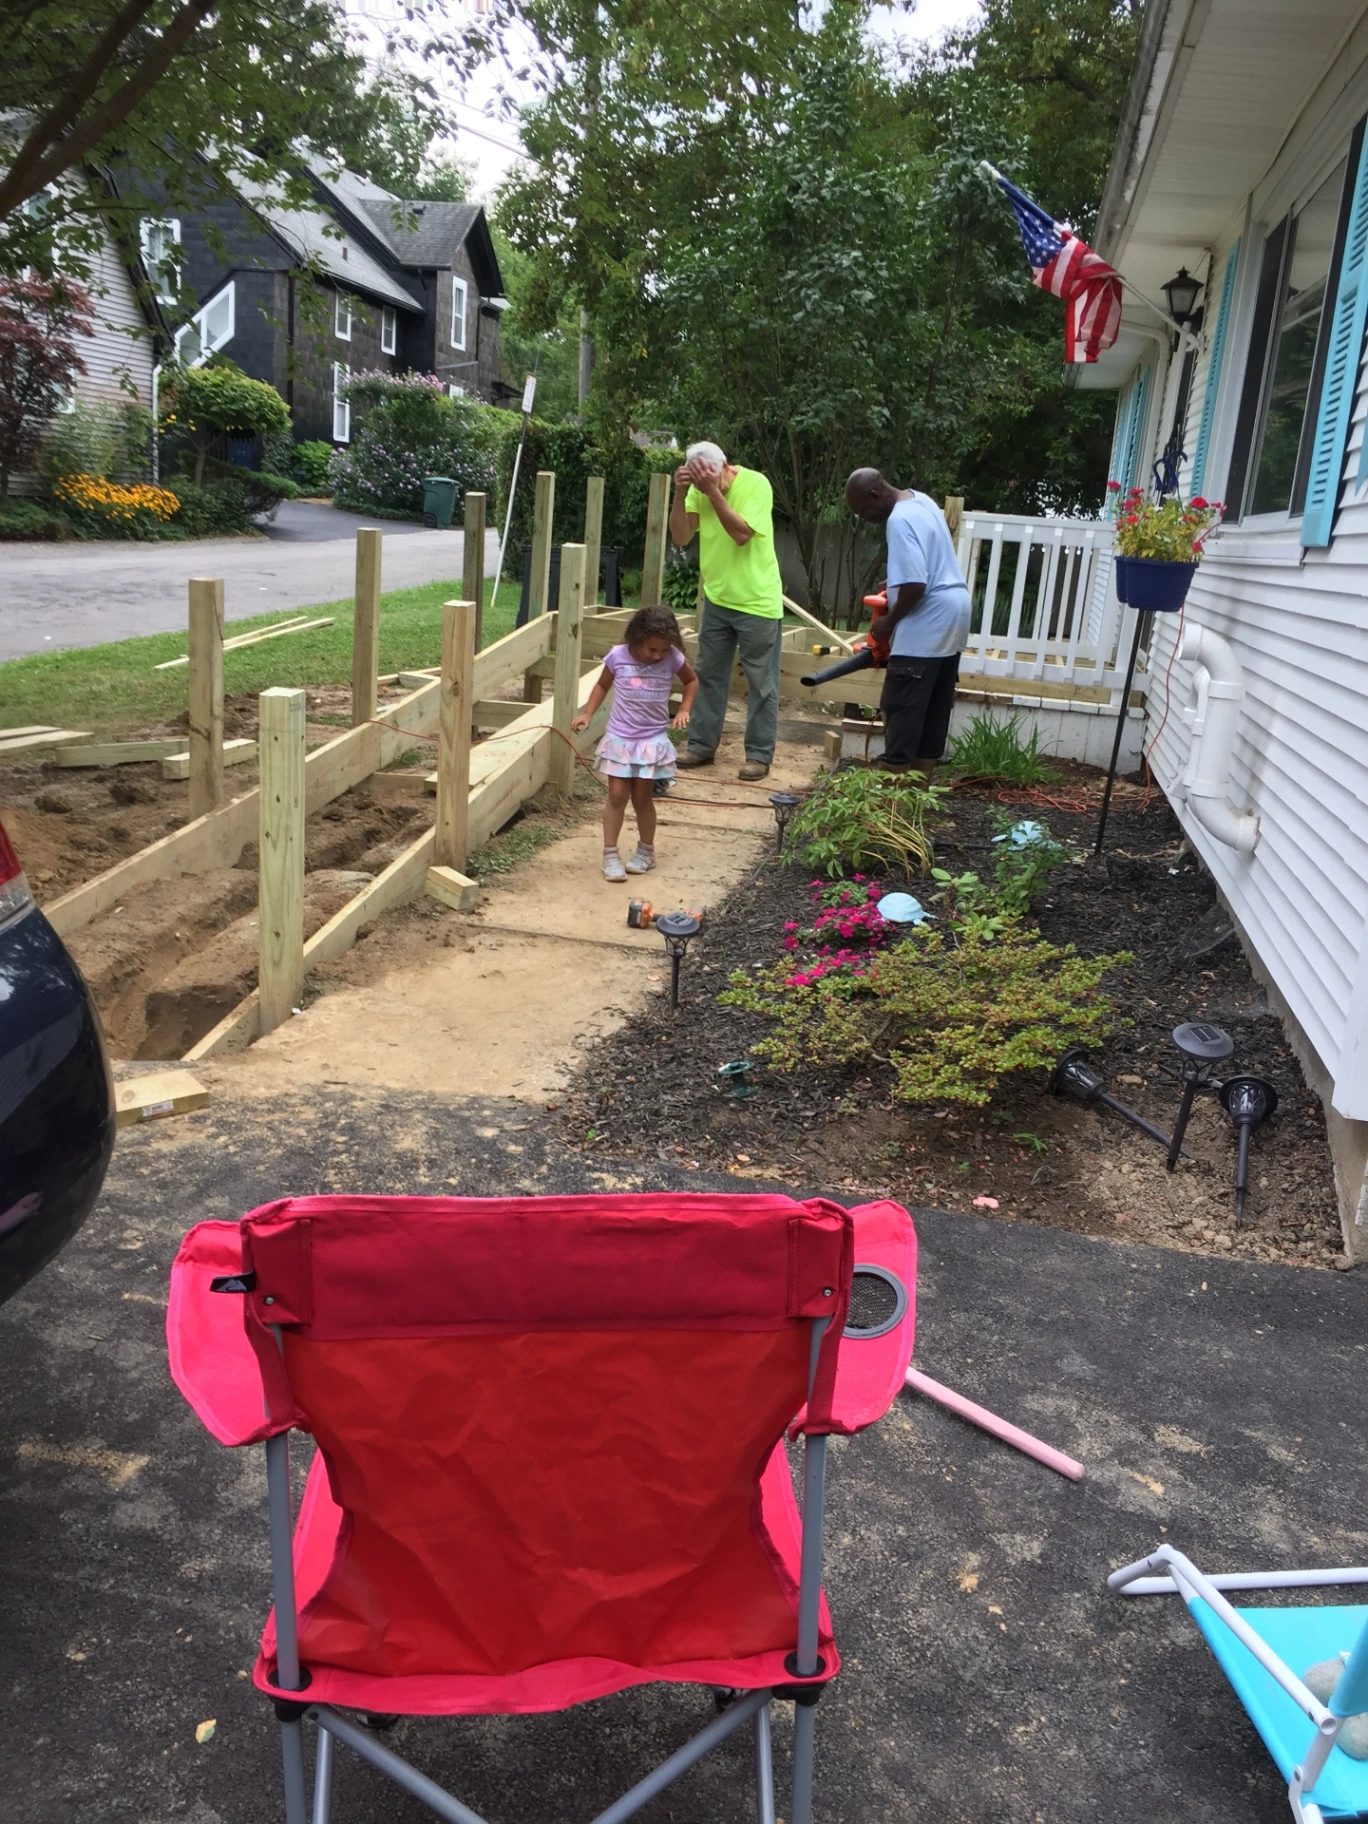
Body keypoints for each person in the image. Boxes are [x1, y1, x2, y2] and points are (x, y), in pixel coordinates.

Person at [844, 468, 971, 782]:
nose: (866, 518)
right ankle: (916, 804)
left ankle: (892, 809)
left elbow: (915, 587)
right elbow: (927, 564)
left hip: (928, 623)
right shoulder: (921, 501)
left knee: (901, 708)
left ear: (874, 495)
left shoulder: (898, 520)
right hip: (955, 614)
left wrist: (887, 621)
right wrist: (896, 582)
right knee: (931, 712)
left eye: (863, 511)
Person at [669, 440, 784, 781]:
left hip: (757, 603)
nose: (706, 489)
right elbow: (680, 537)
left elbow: (742, 534)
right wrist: (680, 494)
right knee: (707, 676)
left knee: (762, 683)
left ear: (726, 466)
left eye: (712, 480)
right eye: (699, 482)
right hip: (717, 598)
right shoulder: (698, 489)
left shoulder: (756, 484)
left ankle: (759, 756)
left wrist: (712, 493)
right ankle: (701, 746)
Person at [572, 604, 698, 882]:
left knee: (643, 798)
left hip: (651, 739)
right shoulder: (618, 656)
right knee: (617, 796)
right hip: (620, 738)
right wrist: (588, 713)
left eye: (664, 650)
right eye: (652, 649)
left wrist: (685, 709)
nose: (658, 656)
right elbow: (602, 685)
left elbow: (691, 681)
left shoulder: (672, 658)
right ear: (636, 639)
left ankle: (646, 851)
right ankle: (610, 854)